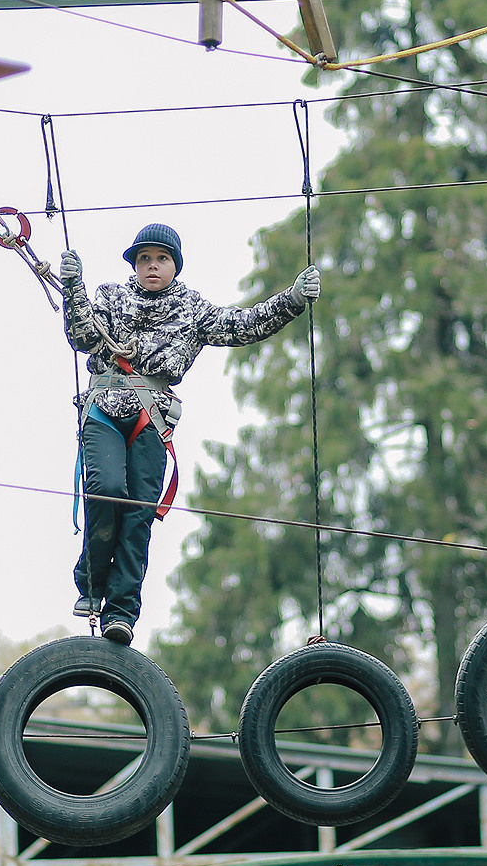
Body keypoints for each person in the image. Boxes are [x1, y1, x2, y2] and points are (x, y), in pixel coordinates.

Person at [59, 223, 320, 644]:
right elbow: (82, 337)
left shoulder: (192, 309)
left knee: (139, 512)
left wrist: (290, 301)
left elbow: (242, 326)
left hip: (152, 419)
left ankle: (121, 612)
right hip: (105, 408)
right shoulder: (111, 297)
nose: (152, 267)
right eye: (145, 259)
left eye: (161, 259)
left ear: (175, 265)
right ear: (136, 265)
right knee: (107, 488)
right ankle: (91, 584)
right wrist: (73, 287)